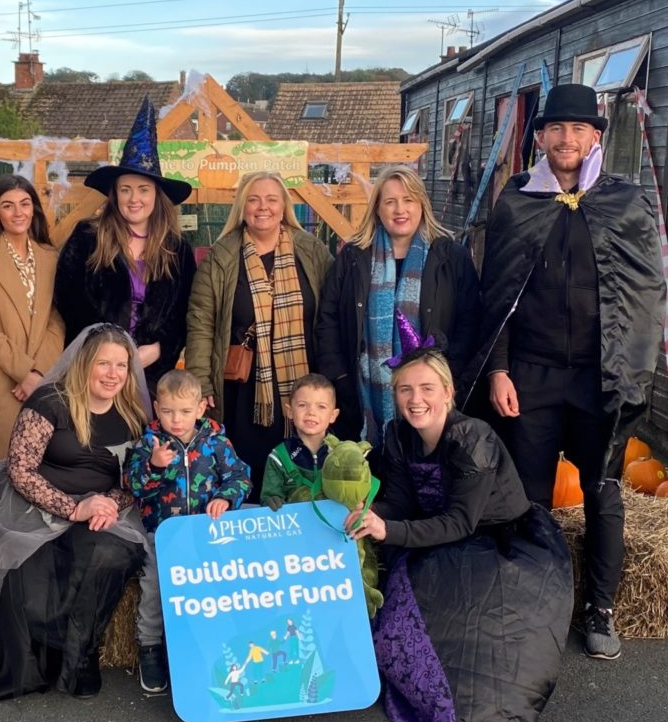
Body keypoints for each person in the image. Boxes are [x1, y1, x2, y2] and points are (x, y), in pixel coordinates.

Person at [471, 83, 664, 661]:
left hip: (598, 376)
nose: (566, 139)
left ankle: (599, 607)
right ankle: (534, 598)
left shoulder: (624, 201)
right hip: (530, 373)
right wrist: (500, 370)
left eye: (579, 130)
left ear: (595, 137)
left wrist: (631, 372)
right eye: (556, 129)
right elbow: (496, 293)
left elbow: (644, 294)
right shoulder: (516, 200)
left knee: (602, 490)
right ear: (540, 138)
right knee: (529, 495)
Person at [348, 342, 572, 722]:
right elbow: (397, 499)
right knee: (397, 622)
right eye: (405, 390)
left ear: (449, 393)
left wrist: (389, 530)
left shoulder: (473, 438)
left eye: (428, 388)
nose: (417, 400)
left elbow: (460, 522)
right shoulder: (398, 435)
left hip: (496, 542)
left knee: (477, 635)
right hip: (437, 537)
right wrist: (371, 514)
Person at [0, 324, 150, 701]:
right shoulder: (49, 402)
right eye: (103, 363)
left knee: (111, 552)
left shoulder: (132, 414)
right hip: (38, 502)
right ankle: (40, 655)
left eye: (122, 365)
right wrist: (74, 507)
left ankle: (80, 655)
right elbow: (20, 469)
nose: (113, 374)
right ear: (84, 362)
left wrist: (107, 505)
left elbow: (136, 479)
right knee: (30, 563)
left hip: (100, 507)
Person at [186, 172, 334, 501]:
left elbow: (331, 314)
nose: (262, 207)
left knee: (302, 471)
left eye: (271, 199)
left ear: (284, 208)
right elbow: (200, 321)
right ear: (242, 208)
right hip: (245, 392)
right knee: (249, 472)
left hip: (302, 384)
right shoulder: (221, 258)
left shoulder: (311, 251)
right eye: (253, 199)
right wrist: (200, 381)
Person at [316, 165, 480, 445]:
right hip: (362, 394)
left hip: (431, 397)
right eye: (390, 201)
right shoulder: (353, 257)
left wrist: (450, 377)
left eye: (408, 200)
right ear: (378, 209)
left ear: (422, 205)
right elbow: (328, 318)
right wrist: (341, 377)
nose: (399, 209)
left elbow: (470, 321)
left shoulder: (451, 256)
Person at [124, 368, 252, 693]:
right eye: (167, 412)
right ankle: (150, 646)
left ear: (200, 409)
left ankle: (206, 650)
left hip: (205, 539)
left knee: (209, 593)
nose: (175, 420)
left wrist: (225, 497)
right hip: (162, 536)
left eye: (184, 412)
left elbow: (240, 477)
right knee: (154, 588)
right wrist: (154, 466)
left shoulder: (216, 441)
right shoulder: (149, 442)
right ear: (156, 408)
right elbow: (134, 485)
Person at [55, 98, 196, 389]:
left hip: (152, 371)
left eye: (143, 190)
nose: (134, 199)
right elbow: (69, 301)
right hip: (94, 368)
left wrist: (161, 348)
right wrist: (109, 355)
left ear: (157, 195)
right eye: (126, 190)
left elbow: (185, 310)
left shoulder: (176, 248)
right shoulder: (88, 238)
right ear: (115, 194)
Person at [0, 175, 65, 490]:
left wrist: (39, 373)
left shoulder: (50, 257)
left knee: (39, 473)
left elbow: (57, 319)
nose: (18, 212)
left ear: (34, 209)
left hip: (40, 377)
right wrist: (24, 373)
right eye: (8, 205)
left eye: (24, 203)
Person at [260, 373, 341, 510]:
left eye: (321, 406)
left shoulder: (344, 453)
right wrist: (270, 502)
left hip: (335, 528)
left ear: (333, 415)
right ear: (290, 411)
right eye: (303, 405)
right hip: (297, 529)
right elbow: (268, 496)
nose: (311, 412)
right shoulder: (278, 457)